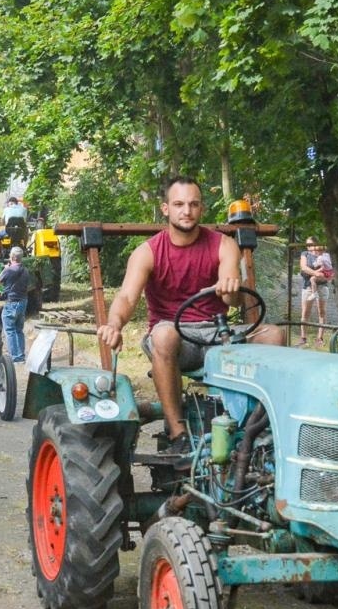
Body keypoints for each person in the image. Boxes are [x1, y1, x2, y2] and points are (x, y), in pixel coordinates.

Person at [96, 176, 284, 462]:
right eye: (179, 204)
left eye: (194, 204)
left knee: (273, 335)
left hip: (216, 334)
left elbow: (232, 298)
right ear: (165, 209)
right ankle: (177, 434)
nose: (187, 211)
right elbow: (126, 298)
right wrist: (114, 324)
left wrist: (230, 291)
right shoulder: (147, 252)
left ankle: (259, 428)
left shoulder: (223, 245)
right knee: (165, 335)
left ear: (202, 209)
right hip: (173, 336)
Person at [0, 246, 31, 363]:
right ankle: (21, 356)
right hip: (23, 302)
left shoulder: (9, 270)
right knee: (19, 330)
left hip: (12, 303)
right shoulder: (25, 270)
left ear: (11, 256)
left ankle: (15, 358)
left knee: (10, 330)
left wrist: (6, 268)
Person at [297, 236, 331, 346]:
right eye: (307, 245)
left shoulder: (323, 255)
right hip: (308, 286)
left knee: (322, 312)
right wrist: (316, 274)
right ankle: (303, 338)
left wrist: (322, 276)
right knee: (305, 312)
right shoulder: (305, 254)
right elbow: (303, 268)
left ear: (316, 244)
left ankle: (320, 338)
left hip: (322, 286)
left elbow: (329, 272)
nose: (309, 247)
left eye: (310, 244)